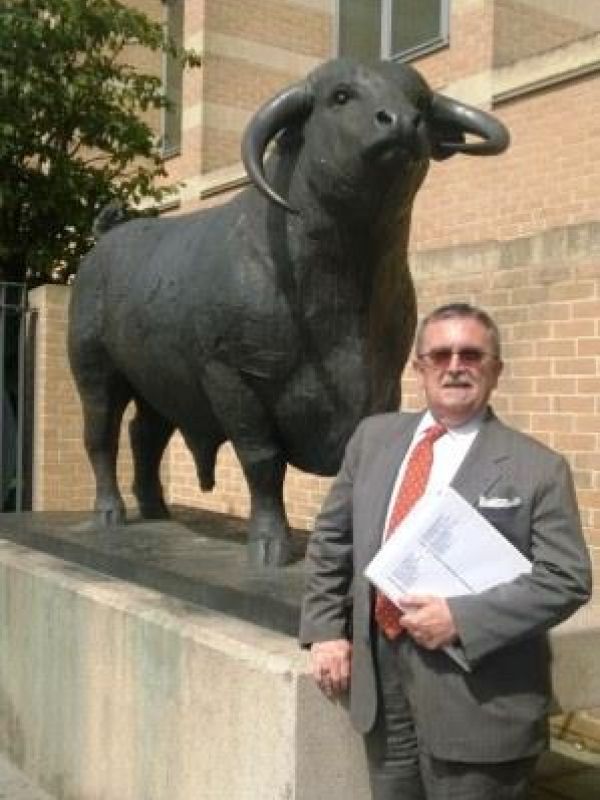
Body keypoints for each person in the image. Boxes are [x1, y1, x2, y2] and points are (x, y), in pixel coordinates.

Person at [299, 302, 592, 800]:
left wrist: (462, 618)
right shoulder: (372, 439)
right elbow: (333, 537)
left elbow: (566, 578)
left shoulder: (538, 468)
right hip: (382, 688)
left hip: (479, 702)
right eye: (440, 354)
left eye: (471, 354)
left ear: (495, 370)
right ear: (419, 368)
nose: (455, 365)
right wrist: (326, 628)